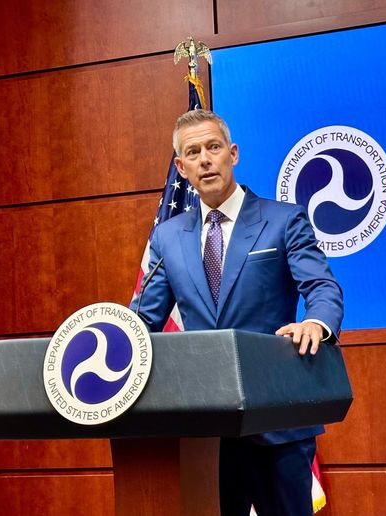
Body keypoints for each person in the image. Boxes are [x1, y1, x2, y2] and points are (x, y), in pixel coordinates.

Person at [133, 109, 344, 516]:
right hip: (207, 428)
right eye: (192, 152)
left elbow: (321, 287)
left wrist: (317, 322)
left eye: (213, 147)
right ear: (181, 167)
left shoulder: (283, 220)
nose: (205, 159)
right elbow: (144, 318)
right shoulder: (167, 237)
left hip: (277, 420)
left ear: (233, 153)